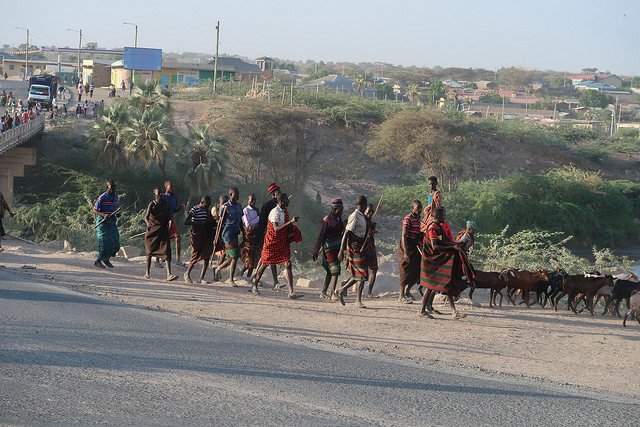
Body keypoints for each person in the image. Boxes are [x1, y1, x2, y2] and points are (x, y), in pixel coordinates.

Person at [418, 206, 475, 320]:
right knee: (431, 286)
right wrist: (452, 247)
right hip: (433, 260)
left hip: (439, 259)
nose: (445, 216)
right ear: (438, 216)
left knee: (446, 284)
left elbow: (445, 241)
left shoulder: (440, 226)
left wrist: (455, 245)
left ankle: (453, 312)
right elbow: (435, 246)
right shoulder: (432, 228)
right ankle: (422, 310)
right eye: (444, 215)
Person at [251, 193, 303, 298]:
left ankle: (291, 292)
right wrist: (290, 222)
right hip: (271, 242)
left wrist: (292, 228)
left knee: (288, 263)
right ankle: (254, 285)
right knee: (265, 263)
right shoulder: (275, 212)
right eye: (286, 200)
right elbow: (275, 229)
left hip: (281, 242)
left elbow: (284, 227)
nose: (289, 201)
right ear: (282, 201)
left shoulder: (284, 211)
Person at [335, 195, 369, 308]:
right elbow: (346, 233)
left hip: (361, 247)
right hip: (355, 248)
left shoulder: (362, 216)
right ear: (364, 205)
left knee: (360, 274)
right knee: (362, 274)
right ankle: (346, 292)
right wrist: (341, 250)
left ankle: (347, 292)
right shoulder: (355, 216)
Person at [313, 198, 345, 300]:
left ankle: (323, 292)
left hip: (336, 247)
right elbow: (321, 235)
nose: (341, 211)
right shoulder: (327, 220)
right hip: (329, 248)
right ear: (335, 209)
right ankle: (332, 293)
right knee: (335, 269)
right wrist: (316, 250)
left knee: (330, 271)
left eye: (342, 209)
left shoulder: (338, 218)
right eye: (340, 209)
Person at [144, 188, 178, 281]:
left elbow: (168, 215)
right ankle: (147, 272)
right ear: (154, 194)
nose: (159, 195)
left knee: (166, 250)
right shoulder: (152, 204)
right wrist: (148, 224)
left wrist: (170, 222)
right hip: (152, 231)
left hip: (163, 230)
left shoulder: (165, 204)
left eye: (160, 193)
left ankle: (169, 274)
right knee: (149, 251)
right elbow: (146, 217)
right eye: (157, 193)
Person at [213, 187, 243, 286]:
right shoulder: (225, 206)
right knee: (234, 256)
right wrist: (216, 238)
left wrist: (244, 233)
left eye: (238, 193)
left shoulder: (239, 206)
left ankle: (218, 268)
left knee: (231, 258)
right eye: (236, 194)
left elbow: (241, 222)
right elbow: (220, 222)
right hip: (227, 234)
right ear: (231, 195)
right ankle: (231, 280)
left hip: (236, 234)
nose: (238, 195)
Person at [255, 183, 282, 288]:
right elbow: (262, 222)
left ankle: (256, 278)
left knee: (267, 258)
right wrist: (257, 237)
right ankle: (273, 282)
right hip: (269, 235)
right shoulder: (267, 206)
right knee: (269, 258)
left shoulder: (282, 205)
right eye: (278, 191)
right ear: (273, 194)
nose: (280, 193)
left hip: (278, 235)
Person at [184, 196, 215, 284]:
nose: (208, 206)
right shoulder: (195, 209)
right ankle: (187, 274)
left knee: (206, 256)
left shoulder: (207, 211)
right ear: (202, 203)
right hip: (196, 236)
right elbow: (187, 221)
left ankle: (202, 278)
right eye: (207, 204)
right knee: (195, 255)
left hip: (205, 236)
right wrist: (199, 223)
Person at [397, 200, 423, 303]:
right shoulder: (408, 219)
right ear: (413, 208)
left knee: (417, 270)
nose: (420, 210)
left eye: (421, 208)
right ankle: (401, 296)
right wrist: (406, 252)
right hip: (406, 245)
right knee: (405, 271)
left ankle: (408, 291)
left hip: (414, 246)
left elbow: (418, 233)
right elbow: (403, 235)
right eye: (418, 208)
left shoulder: (418, 218)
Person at [93, 180, 120, 269]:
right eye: (111, 187)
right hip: (102, 223)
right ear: (107, 188)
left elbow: (116, 209)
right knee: (104, 244)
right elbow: (95, 210)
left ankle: (106, 259)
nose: (113, 189)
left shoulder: (116, 197)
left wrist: (118, 213)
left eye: (114, 187)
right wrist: (104, 214)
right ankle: (98, 261)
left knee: (115, 244)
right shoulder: (102, 197)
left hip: (112, 222)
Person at [161, 180, 185, 266]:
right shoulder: (163, 197)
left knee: (177, 237)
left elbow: (174, 210)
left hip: (172, 219)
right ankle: (160, 258)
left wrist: (180, 208)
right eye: (170, 187)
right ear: (166, 187)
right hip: (164, 220)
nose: (172, 188)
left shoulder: (174, 197)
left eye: (172, 187)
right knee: (163, 239)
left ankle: (178, 259)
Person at [240, 193, 260, 278]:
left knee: (255, 258)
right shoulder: (245, 210)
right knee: (248, 259)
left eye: (254, 200)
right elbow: (248, 224)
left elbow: (256, 223)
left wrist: (255, 222)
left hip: (255, 237)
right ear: (248, 200)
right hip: (248, 237)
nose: (253, 201)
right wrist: (257, 219)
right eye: (251, 200)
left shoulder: (256, 210)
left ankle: (248, 277)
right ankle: (240, 274)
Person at [364, 203, 379, 299]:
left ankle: (369, 292)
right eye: (369, 211)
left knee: (374, 269)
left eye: (372, 212)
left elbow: (371, 235)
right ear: (364, 211)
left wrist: (373, 231)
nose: (370, 213)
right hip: (363, 247)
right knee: (361, 271)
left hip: (371, 247)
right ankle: (345, 286)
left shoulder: (370, 221)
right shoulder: (361, 221)